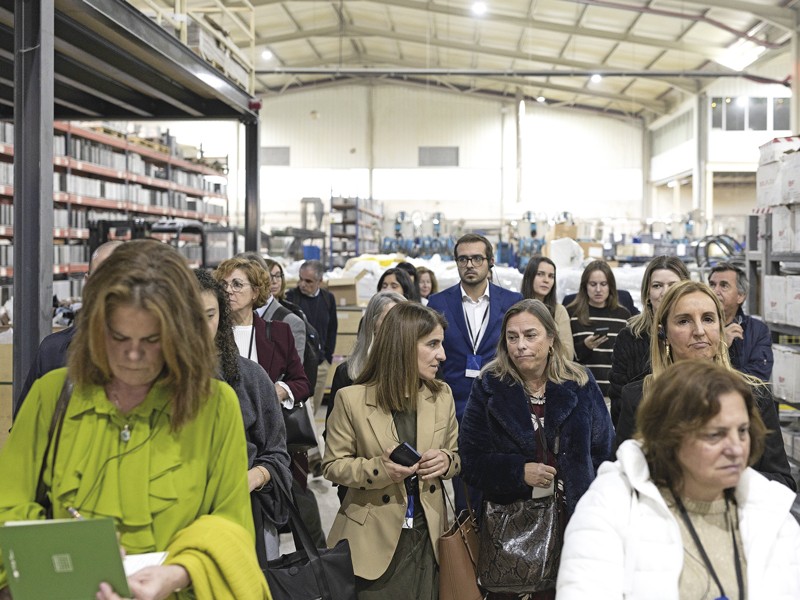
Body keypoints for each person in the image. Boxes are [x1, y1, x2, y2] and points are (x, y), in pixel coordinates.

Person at [0, 240, 269, 600]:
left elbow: (231, 522)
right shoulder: (52, 395)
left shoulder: (214, 405)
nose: (132, 354)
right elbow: (9, 506)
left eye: (152, 339)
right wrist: (68, 551)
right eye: (118, 336)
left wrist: (176, 573)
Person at [557, 360, 800, 599]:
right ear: (670, 438)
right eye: (716, 434)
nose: (736, 449)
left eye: (743, 431)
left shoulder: (771, 510)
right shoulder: (610, 506)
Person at [459, 299, 614, 600]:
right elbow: (472, 460)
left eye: (531, 335)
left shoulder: (580, 383)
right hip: (513, 529)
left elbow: (604, 452)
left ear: (551, 339)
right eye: (512, 337)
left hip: (575, 525)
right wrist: (518, 472)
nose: (520, 345)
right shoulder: (490, 385)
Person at [323, 303, 460, 599]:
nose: (442, 355)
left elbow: (456, 455)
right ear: (403, 345)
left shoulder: (442, 396)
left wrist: (446, 461)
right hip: (374, 540)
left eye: (441, 344)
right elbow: (333, 465)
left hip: (429, 537)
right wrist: (379, 470)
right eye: (432, 344)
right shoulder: (352, 399)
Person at [616, 280, 795, 490]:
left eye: (708, 319)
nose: (699, 331)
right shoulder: (640, 397)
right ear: (664, 333)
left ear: (720, 327)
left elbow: (784, 483)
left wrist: (722, 481)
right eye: (684, 321)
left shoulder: (755, 396)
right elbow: (623, 481)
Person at [214, 257, 326, 547]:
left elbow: (302, 382)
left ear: (256, 291)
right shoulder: (211, 335)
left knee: (287, 510)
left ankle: (312, 564)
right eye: (224, 284)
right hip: (227, 441)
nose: (229, 290)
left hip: (271, 439)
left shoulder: (277, 332)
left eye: (237, 284)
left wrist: (275, 391)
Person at [194, 269, 292, 565]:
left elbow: (277, 453)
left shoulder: (249, 377)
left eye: (210, 316)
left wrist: (254, 477)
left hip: (246, 517)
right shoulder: (154, 383)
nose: (200, 327)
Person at [427, 232, 522, 512]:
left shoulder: (512, 302)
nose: (470, 264)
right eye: (463, 258)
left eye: (477, 258)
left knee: (504, 492)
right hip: (455, 410)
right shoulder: (439, 304)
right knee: (464, 494)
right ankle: (466, 551)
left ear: (490, 262)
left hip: (502, 408)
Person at [14, 240, 123, 416]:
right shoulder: (52, 351)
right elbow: (24, 428)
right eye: (100, 278)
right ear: (87, 282)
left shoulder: (155, 355)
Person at [325, 291, 406, 503]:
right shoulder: (348, 373)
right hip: (361, 488)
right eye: (389, 318)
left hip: (406, 485)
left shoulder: (418, 373)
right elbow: (333, 439)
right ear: (372, 323)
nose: (396, 326)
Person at [608, 256, 689, 425]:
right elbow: (618, 401)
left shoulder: (698, 334)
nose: (665, 292)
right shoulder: (629, 337)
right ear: (647, 294)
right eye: (657, 285)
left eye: (672, 285)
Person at [566, 260, 630, 399]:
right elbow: (565, 357)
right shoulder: (572, 314)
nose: (598, 290)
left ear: (610, 286)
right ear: (585, 286)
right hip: (582, 393)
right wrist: (585, 346)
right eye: (593, 284)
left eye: (603, 284)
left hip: (613, 395)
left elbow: (626, 360)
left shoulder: (623, 316)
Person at [286, 259, 337, 415]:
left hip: (320, 364)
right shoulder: (291, 298)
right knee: (299, 411)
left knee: (313, 409)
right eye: (300, 279)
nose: (303, 284)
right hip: (298, 365)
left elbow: (332, 329)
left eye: (308, 281)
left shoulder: (328, 299)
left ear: (320, 281)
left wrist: (327, 357)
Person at [708, 261, 773, 381]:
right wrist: (721, 346)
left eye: (724, 285)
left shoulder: (758, 330)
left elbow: (757, 377)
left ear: (740, 296)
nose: (715, 291)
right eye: (712, 284)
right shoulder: (700, 329)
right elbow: (694, 372)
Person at [238, 251, 307, 363]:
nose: (231, 290)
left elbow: (294, 375)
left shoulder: (290, 322)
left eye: (239, 283)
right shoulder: (230, 317)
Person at [520, 255, 575, 360]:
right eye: (540, 274)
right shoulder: (515, 307)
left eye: (551, 276)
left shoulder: (559, 311)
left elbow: (568, 355)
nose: (546, 280)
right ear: (529, 276)